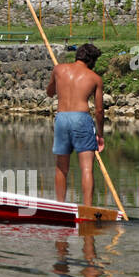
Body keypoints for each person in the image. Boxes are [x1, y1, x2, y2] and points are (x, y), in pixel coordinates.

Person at [45, 42, 104, 205]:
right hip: (81, 119)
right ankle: (88, 208)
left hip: (62, 118)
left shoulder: (59, 69)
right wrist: (100, 134)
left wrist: (58, 82)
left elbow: (49, 93)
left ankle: (60, 205)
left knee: (61, 167)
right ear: (91, 61)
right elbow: (99, 111)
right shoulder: (95, 78)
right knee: (86, 168)